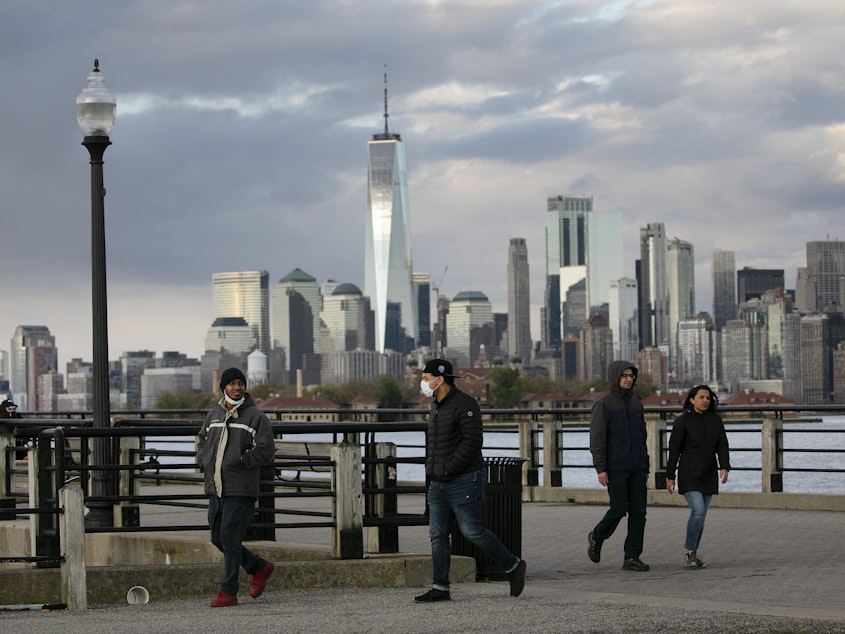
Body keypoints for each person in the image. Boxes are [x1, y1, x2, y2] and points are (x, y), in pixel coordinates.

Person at [414, 358, 527, 603]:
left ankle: (513, 565)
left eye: (425, 378)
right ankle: (440, 587)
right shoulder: (436, 406)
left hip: (464, 479)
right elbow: (435, 444)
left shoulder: (466, 404)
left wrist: (448, 469)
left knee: (472, 531)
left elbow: (472, 442)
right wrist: (432, 470)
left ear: (439, 379)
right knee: (438, 534)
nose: (422, 383)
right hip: (437, 482)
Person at [197, 367, 276, 607]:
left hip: (240, 488)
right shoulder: (213, 416)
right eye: (232, 383)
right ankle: (259, 568)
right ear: (224, 387)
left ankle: (228, 591)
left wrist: (242, 461)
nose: (237, 387)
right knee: (218, 538)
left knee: (230, 537)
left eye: (241, 383)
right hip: (216, 488)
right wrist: (204, 460)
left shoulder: (255, 416)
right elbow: (201, 441)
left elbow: (266, 449)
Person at [587, 361, 650, 572]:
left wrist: (645, 464)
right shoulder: (603, 404)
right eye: (624, 376)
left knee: (639, 512)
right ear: (615, 377)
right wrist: (601, 468)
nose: (629, 379)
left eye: (631, 376)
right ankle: (597, 535)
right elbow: (597, 439)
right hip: (616, 467)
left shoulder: (636, 405)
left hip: (638, 467)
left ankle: (632, 556)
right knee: (618, 509)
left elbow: (643, 436)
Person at [665, 384, 730, 569]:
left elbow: (722, 445)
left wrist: (725, 467)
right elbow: (674, 450)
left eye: (708, 398)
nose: (705, 401)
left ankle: (692, 554)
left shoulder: (716, 421)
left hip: (708, 474)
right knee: (699, 511)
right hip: (689, 474)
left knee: (701, 516)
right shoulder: (682, 421)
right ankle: (689, 552)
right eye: (701, 397)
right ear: (692, 400)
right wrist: (670, 476)